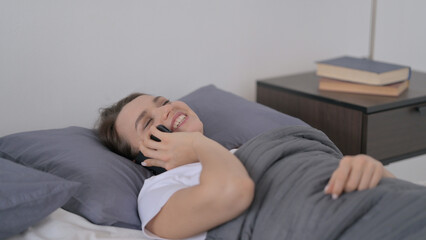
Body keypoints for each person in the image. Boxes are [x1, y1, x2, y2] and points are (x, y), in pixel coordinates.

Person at [97, 93, 395, 240]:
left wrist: (372, 168)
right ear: (142, 159)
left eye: (163, 101)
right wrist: (198, 145)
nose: (166, 109)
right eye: (148, 122)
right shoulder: (157, 193)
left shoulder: (244, 150)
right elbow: (235, 191)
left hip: (382, 202)